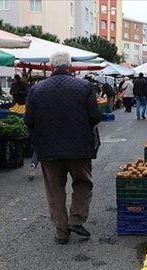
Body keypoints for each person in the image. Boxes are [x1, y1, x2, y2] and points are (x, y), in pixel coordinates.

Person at [25, 51, 102, 245]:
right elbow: (95, 116)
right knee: (83, 183)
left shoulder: (37, 89)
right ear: (70, 66)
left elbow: (28, 120)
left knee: (54, 189)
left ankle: (61, 232)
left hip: (48, 149)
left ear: (51, 66)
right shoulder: (84, 86)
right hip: (79, 148)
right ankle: (76, 219)